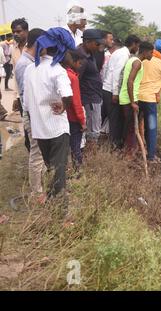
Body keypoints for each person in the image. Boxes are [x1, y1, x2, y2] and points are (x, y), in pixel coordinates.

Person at [23, 27, 75, 199]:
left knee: (51, 169)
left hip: (39, 130)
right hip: (57, 129)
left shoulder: (30, 70)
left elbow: (27, 105)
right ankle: (61, 214)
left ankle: (51, 205)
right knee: (59, 172)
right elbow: (67, 94)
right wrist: (63, 106)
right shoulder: (57, 70)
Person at [15, 28, 46, 203]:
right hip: (31, 113)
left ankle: (40, 187)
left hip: (36, 113)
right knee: (36, 152)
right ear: (38, 43)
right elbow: (26, 95)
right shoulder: (24, 65)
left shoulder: (32, 61)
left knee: (41, 151)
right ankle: (36, 193)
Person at [102, 35, 141, 148]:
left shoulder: (119, 52)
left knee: (114, 120)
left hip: (107, 88)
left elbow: (108, 70)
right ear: (133, 44)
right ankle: (113, 147)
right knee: (115, 121)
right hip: (111, 91)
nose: (137, 48)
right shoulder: (123, 55)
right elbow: (117, 74)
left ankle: (113, 146)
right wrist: (115, 93)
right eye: (137, 46)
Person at [119, 41, 154, 157]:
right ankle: (129, 155)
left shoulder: (133, 60)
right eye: (151, 52)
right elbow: (130, 81)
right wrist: (133, 102)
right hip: (128, 99)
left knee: (129, 127)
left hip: (128, 98)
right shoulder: (137, 63)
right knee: (131, 129)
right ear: (145, 52)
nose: (152, 55)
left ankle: (128, 152)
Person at [78, 29, 104, 144]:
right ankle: (91, 159)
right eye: (97, 44)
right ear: (87, 42)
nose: (99, 47)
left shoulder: (90, 54)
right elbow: (76, 79)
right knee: (93, 133)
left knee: (94, 131)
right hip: (90, 99)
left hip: (95, 97)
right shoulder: (82, 58)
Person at [62, 50, 86, 173]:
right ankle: (78, 171)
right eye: (80, 64)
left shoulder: (61, 73)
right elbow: (76, 102)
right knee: (76, 146)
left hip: (64, 117)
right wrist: (82, 121)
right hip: (73, 118)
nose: (81, 66)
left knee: (67, 146)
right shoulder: (73, 77)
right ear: (74, 62)